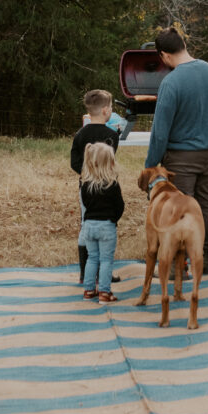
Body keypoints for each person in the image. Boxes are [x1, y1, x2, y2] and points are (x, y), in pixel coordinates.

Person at [145, 27, 208, 274]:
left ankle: (176, 267)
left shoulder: (171, 82)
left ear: (164, 55)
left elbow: (160, 132)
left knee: (178, 209)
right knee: (207, 203)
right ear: (183, 45)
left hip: (183, 156)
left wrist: (151, 166)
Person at [71, 89, 120, 283]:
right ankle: (103, 272)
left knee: (86, 225)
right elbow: (110, 159)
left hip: (86, 187)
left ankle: (86, 272)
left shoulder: (80, 134)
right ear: (106, 110)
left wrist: (86, 176)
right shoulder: (112, 136)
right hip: (108, 185)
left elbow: (74, 162)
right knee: (107, 226)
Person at [80, 142, 124, 304]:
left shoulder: (85, 185)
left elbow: (85, 204)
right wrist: (114, 219)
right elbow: (120, 206)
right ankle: (105, 292)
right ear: (109, 163)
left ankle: (89, 290)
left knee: (92, 258)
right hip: (106, 226)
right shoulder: (112, 184)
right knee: (106, 260)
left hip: (89, 226)